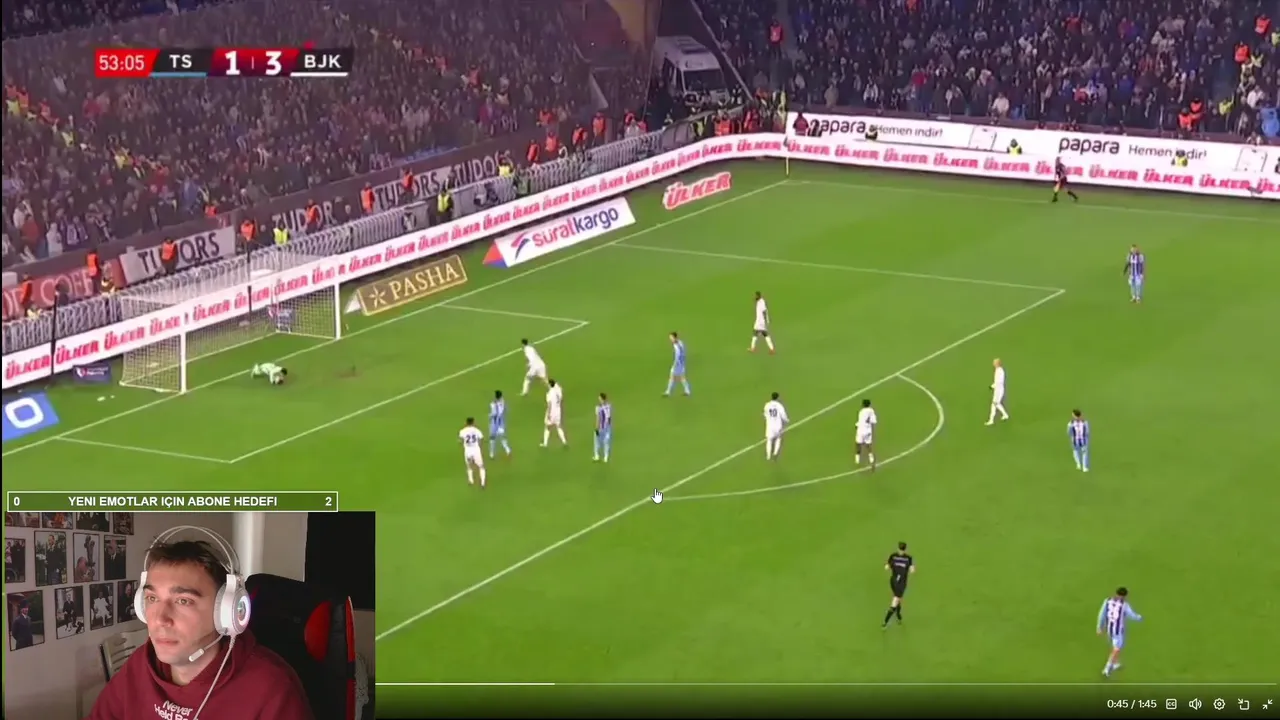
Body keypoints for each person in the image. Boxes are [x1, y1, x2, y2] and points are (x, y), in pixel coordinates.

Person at [87, 532, 313, 720]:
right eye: (152, 598)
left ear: (226, 612)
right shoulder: (139, 666)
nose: (160, 619)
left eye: (183, 601)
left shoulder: (272, 688)